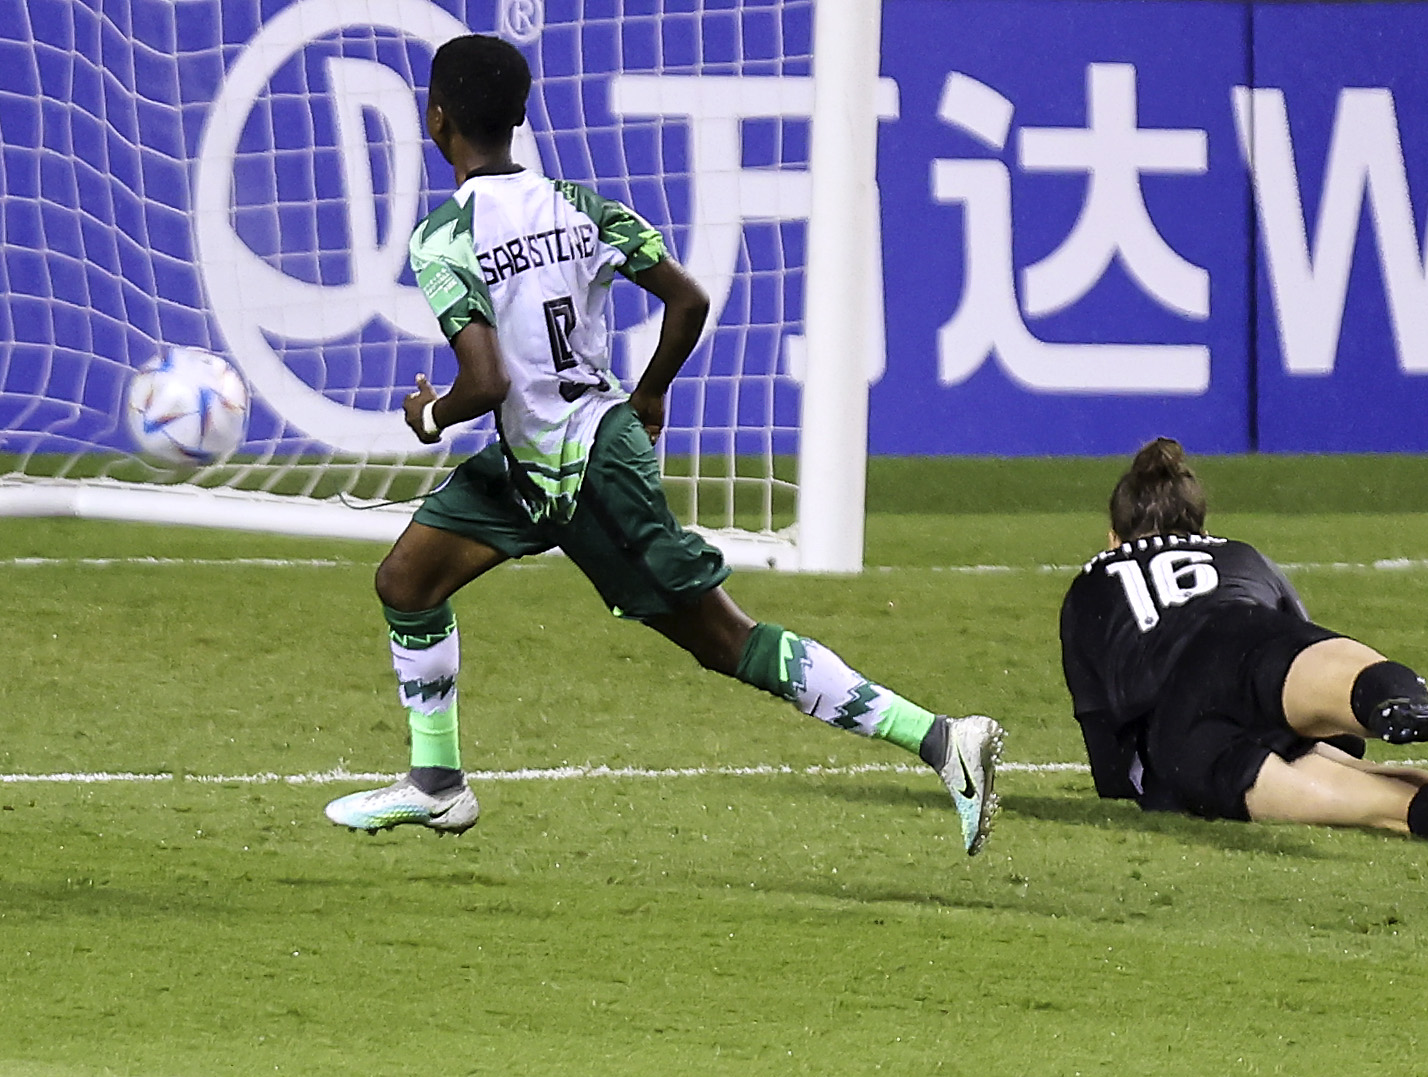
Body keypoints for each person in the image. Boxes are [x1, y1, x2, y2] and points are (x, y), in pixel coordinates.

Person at [323, 35, 1004, 854]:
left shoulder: (443, 238)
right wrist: (649, 394)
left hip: (585, 474)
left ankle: (941, 741)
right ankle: (437, 785)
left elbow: (487, 382)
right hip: (538, 459)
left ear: (437, 123)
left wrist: (430, 417)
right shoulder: (580, 206)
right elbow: (686, 299)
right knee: (407, 580)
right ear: (522, 117)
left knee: (726, 640)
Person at [1060, 438, 1428, 854]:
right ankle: (1408, 705)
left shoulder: (1089, 586)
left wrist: (1163, 786)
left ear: (1114, 535)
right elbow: (1308, 656)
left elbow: (1110, 769)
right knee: (1359, 700)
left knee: (1376, 804)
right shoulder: (1238, 555)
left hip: (1182, 735)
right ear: (1201, 524)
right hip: (1250, 644)